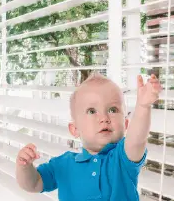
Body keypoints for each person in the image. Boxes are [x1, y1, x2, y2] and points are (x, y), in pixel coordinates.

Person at [16, 72, 161, 201]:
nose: (104, 117)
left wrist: (143, 106)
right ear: (75, 129)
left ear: (126, 124)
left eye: (113, 109)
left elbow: (137, 139)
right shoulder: (62, 165)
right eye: (92, 111)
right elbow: (33, 184)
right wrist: (24, 167)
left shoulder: (122, 158)